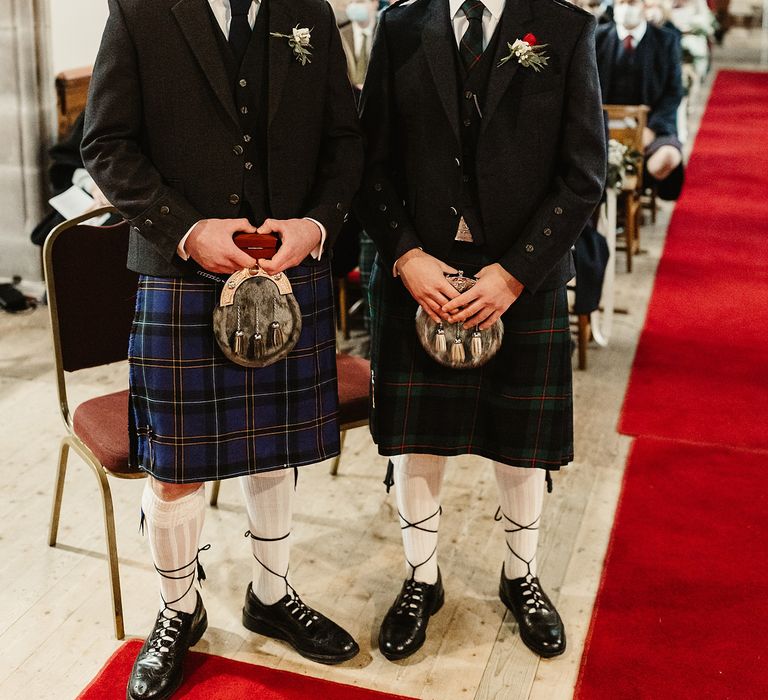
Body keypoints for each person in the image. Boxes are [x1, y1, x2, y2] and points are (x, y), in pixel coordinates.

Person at [81, 1, 363, 698]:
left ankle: (271, 593)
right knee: (176, 466)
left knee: (274, 448)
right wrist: (186, 230)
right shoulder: (139, 10)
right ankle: (178, 611)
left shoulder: (310, 12)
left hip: (289, 273)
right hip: (181, 274)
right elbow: (106, 145)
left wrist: (317, 227)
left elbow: (346, 141)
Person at [356, 0, 606, 661]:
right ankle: (421, 578)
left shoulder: (564, 28)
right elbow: (370, 162)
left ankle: (520, 575)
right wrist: (405, 255)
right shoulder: (400, 25)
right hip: (420, 275)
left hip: (523, 276)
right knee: (417, 440)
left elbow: (583, 176)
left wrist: (516, 274)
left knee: (518, 444)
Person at [596, 0, 686, 199]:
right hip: (602, 126)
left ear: (645, 5)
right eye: (621, 2)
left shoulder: (666, 40)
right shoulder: (597, 37)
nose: (626, 7)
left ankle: (633, 191)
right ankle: (609, 197)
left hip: (651, 127)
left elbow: (674, 92)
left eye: (632, 2)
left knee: (668, 157)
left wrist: (651, 129)